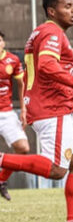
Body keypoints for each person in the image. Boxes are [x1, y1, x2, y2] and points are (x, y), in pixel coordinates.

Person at [0, 0, 73, 222]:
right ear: (51, 11)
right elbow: (46, 65)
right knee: (56, 169)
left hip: (57, 107)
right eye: (67, 6)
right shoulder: (52, 32)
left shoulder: (43, 32)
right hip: (51, 107)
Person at [0, 31, 30, 201]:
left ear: (3, 43)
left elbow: (21, 84)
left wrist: (24, 110)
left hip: (6, 113)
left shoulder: (12, 60)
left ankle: (1, 180)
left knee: (23, 148)